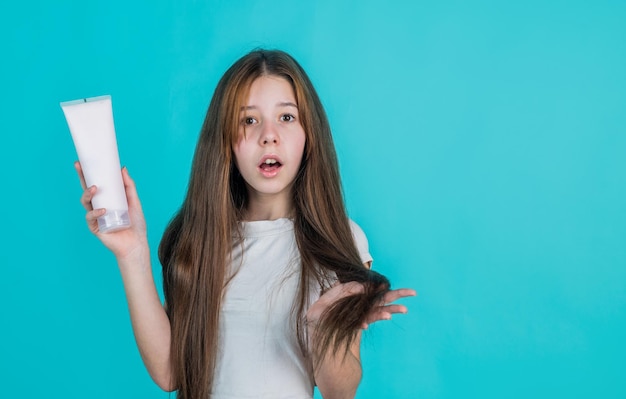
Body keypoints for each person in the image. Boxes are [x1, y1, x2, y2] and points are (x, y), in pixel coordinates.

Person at [75, 49, 416, 399]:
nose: (269, 136)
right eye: (249, 121)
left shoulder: (339, 238)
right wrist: (132, 254)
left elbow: (339, 392)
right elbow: (169, 372)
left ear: (309, 134)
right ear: (225, 141)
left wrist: (322, 329)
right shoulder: (200, 239)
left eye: (286, 117)